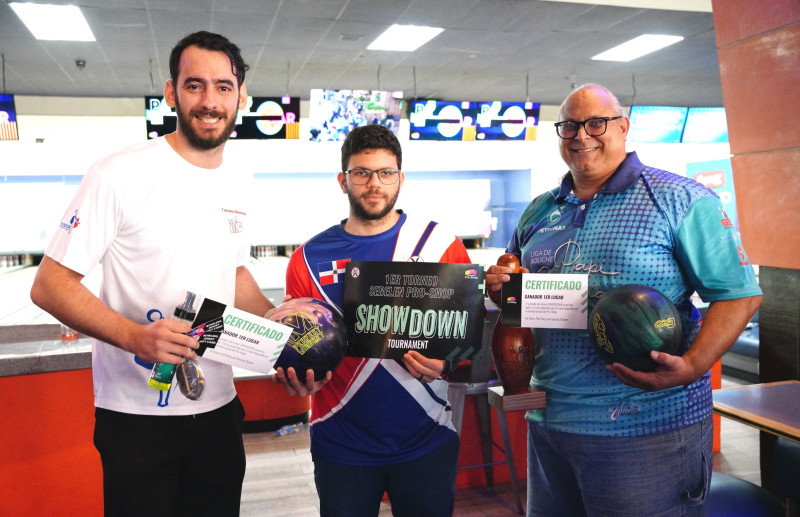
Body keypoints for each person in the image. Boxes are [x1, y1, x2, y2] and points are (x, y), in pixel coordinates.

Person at [486, 84, 762, 517]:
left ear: (623, 127)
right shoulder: (540, 210)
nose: (581, 135)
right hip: (550, 424)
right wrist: (501, 287)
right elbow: (516, 296)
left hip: (647, 428)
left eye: (596, 122)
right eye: (570, 126)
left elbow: (739, 294)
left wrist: (692, 366)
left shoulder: (680, 198)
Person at [30, 31, 274, 516]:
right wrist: (135, 337)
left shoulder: (240, 181)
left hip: (220, 409)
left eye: (224, 87)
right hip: (135, 417)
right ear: (170, 92)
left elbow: (235, 272)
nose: (210, 101)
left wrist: (277, 327)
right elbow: (49, 284)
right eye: (195, 86)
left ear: (241, 98)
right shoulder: (118, 173)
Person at [273, 124, 470, 517]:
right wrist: (294, 375)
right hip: (340, 437)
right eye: (361, 173)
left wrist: (447, 363)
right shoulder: (307, 258)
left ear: (400, 178)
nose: (374, 183)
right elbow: (294, 345)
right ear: (343, 180)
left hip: (426, 435)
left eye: (385, 173)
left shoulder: (440, 244)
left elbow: (468, 346)